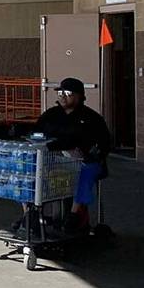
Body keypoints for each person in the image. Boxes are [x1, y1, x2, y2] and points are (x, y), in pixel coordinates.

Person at [34, 77, 110, 234]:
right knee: (27, 172)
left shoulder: (92, 118)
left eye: (67, 93)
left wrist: (90, 154)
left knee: (85, 172)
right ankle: (32, 214)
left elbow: (105, 143)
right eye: (60, 92)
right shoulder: (51, 115)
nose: (62, 96)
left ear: (79, 96)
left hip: (85, 161)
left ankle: (74, 215)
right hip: (53, 159)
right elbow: (36, 133)